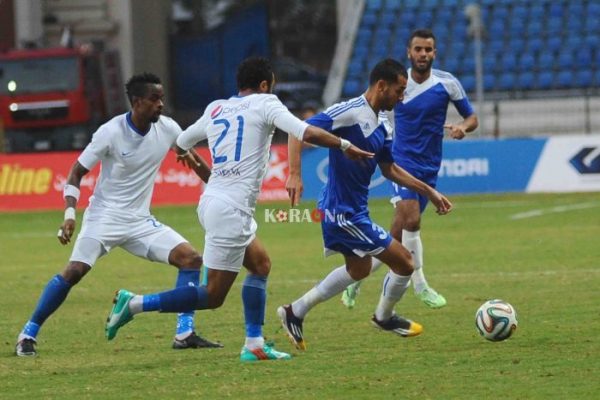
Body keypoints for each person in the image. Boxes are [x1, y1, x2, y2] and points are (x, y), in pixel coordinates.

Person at [103, 57, 374, 362]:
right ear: (264, 85)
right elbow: (304, 132)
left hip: (215, 202)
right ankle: (135, 304)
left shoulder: (217, 107)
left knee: (260, 265)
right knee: (212, 295)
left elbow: (180, 143)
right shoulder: (266, 102)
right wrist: (345, 146)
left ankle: (254, 344)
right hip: (230, 209)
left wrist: (197, 163)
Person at [14, 73, 222, 357]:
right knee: (74, 272)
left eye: (161, 98)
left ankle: (184, 333)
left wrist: (221, 189)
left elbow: (195, 161)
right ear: (137, 102)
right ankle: (28, 333)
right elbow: (77, 172)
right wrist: (70, 213)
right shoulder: (110, 132)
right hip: (103, 218)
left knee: (191, 259)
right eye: (154, 99)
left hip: (140, 222)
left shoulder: (169, 129)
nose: (161, 104)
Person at [277, 59, 452, 351]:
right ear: (381, 86)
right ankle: (384, 317)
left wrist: (429, 192)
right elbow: (299, 130)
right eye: (399, 90)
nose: (402, 97)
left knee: (358, 269)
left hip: (355, 211)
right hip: (341, 213)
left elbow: (390, 169)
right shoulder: (350, 112)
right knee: (404, 262)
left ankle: (295, 311)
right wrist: (294, 173)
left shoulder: (383, 126)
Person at [338, 28, 479, 310]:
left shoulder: (447, 83)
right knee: (412, 220)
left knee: (395, 238)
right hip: (400, 163)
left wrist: (463, 128)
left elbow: (472, 117)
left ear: (434, 53)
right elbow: (372, 108)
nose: (423, 54)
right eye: (418, 49)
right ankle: (421, 284)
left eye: (428, 50)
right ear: (409, 52)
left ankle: (356, 278)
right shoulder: (398, 85)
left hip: (429, 167)